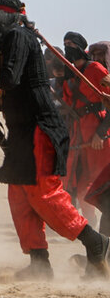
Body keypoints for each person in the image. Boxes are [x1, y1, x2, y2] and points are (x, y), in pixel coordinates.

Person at [0, 0, 110, 278]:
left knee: (44, 195)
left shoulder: (19, 36)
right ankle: (39, 263)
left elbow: (8, 78)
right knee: (19, 196)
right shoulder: (13, 38)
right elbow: (19, 89)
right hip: (23, 131)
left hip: (40, 130)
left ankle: (96, 243)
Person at [60, 31, 110, 218]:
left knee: (101, 183)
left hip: (97, 135)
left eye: (71, 44)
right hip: (77, 135)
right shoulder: (69, 74)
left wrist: (102, 132)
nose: (67, 48)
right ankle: (91, 228)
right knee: (80, 185)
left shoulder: (95, 69)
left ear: (80, 46)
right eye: (65, 44)